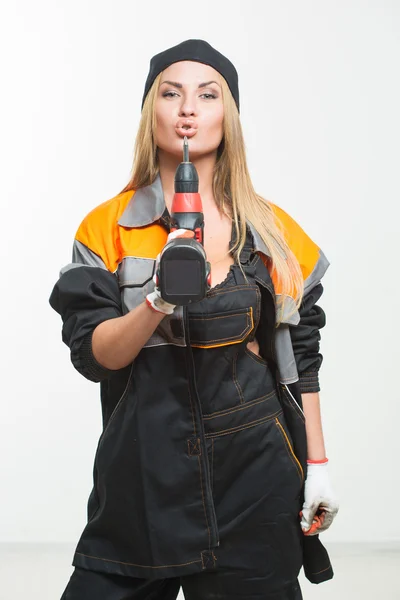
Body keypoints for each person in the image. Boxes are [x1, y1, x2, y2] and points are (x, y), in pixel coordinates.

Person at [49, 39, 339, 600]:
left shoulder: (273, 232)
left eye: (207, 95)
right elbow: (96, 355)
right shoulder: (108, 228)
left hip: (255, 478)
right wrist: (157, 298)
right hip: (142, 480)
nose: (187, 109)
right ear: (149, 111)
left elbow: (301, 356)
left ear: (227, 117)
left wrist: (318, 463)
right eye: (170, 93)